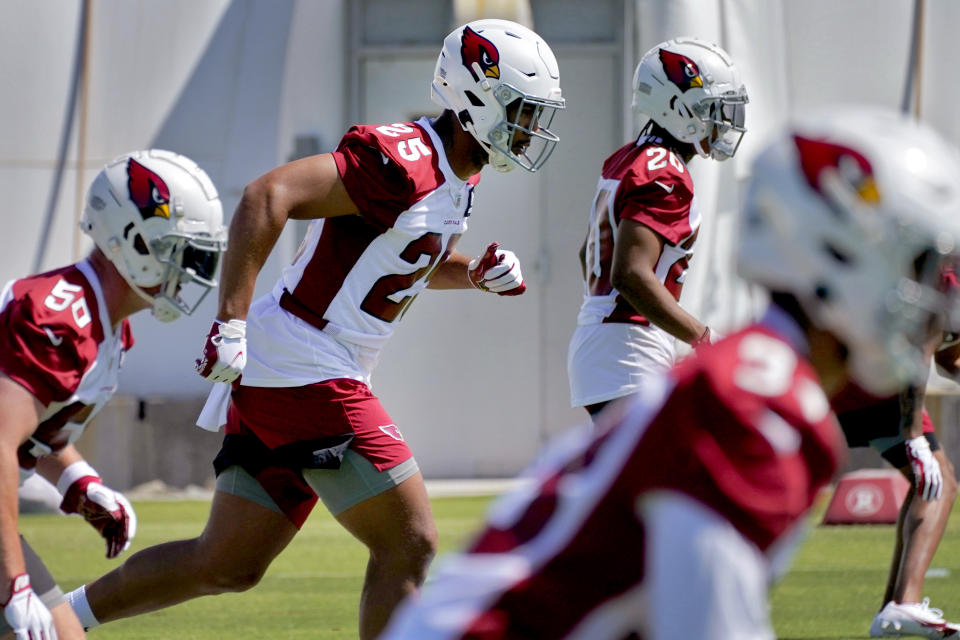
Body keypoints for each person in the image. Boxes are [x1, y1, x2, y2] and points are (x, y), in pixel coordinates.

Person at [65, 19, 564, 640]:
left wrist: (473, 274)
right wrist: (230, 323)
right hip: (306, 363)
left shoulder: (460, 174)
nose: (530, 127)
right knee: (409, 542)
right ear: (476, 97)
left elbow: (402, 260)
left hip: (305, 364)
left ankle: (49, 621)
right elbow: (266, 196)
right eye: (520, 109)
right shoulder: (402, 160)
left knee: (226, 563)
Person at [379, 107, 960, 639]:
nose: (931, 294)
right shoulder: (754, 410)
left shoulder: (762, 385)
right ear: (835, 255)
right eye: (914, 265)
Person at [0, 149, 225, 639]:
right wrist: (13, 582)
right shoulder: (62, 320)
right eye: (184, 252)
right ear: (138, 243)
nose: (193, 271)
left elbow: (33, 432)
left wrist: (77, 482)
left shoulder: (105, 327)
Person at [567, 37, 748, 419]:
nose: (722, 121)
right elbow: (630, 274)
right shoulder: (665, 171)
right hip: (629, 351)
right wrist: (703, 337)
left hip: (603, 343)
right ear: (680, 108)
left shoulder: (627, 157)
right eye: (712, 108)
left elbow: (589, 255)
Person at [833, 327, 960, 638]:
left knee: (933, 482)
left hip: (872, 385)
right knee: (938, 480)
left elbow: (946, 356)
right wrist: (914, 434)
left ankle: (893, 610)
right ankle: (903, 603)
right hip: (870, 384)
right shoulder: (948, 279)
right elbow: (919, 347)